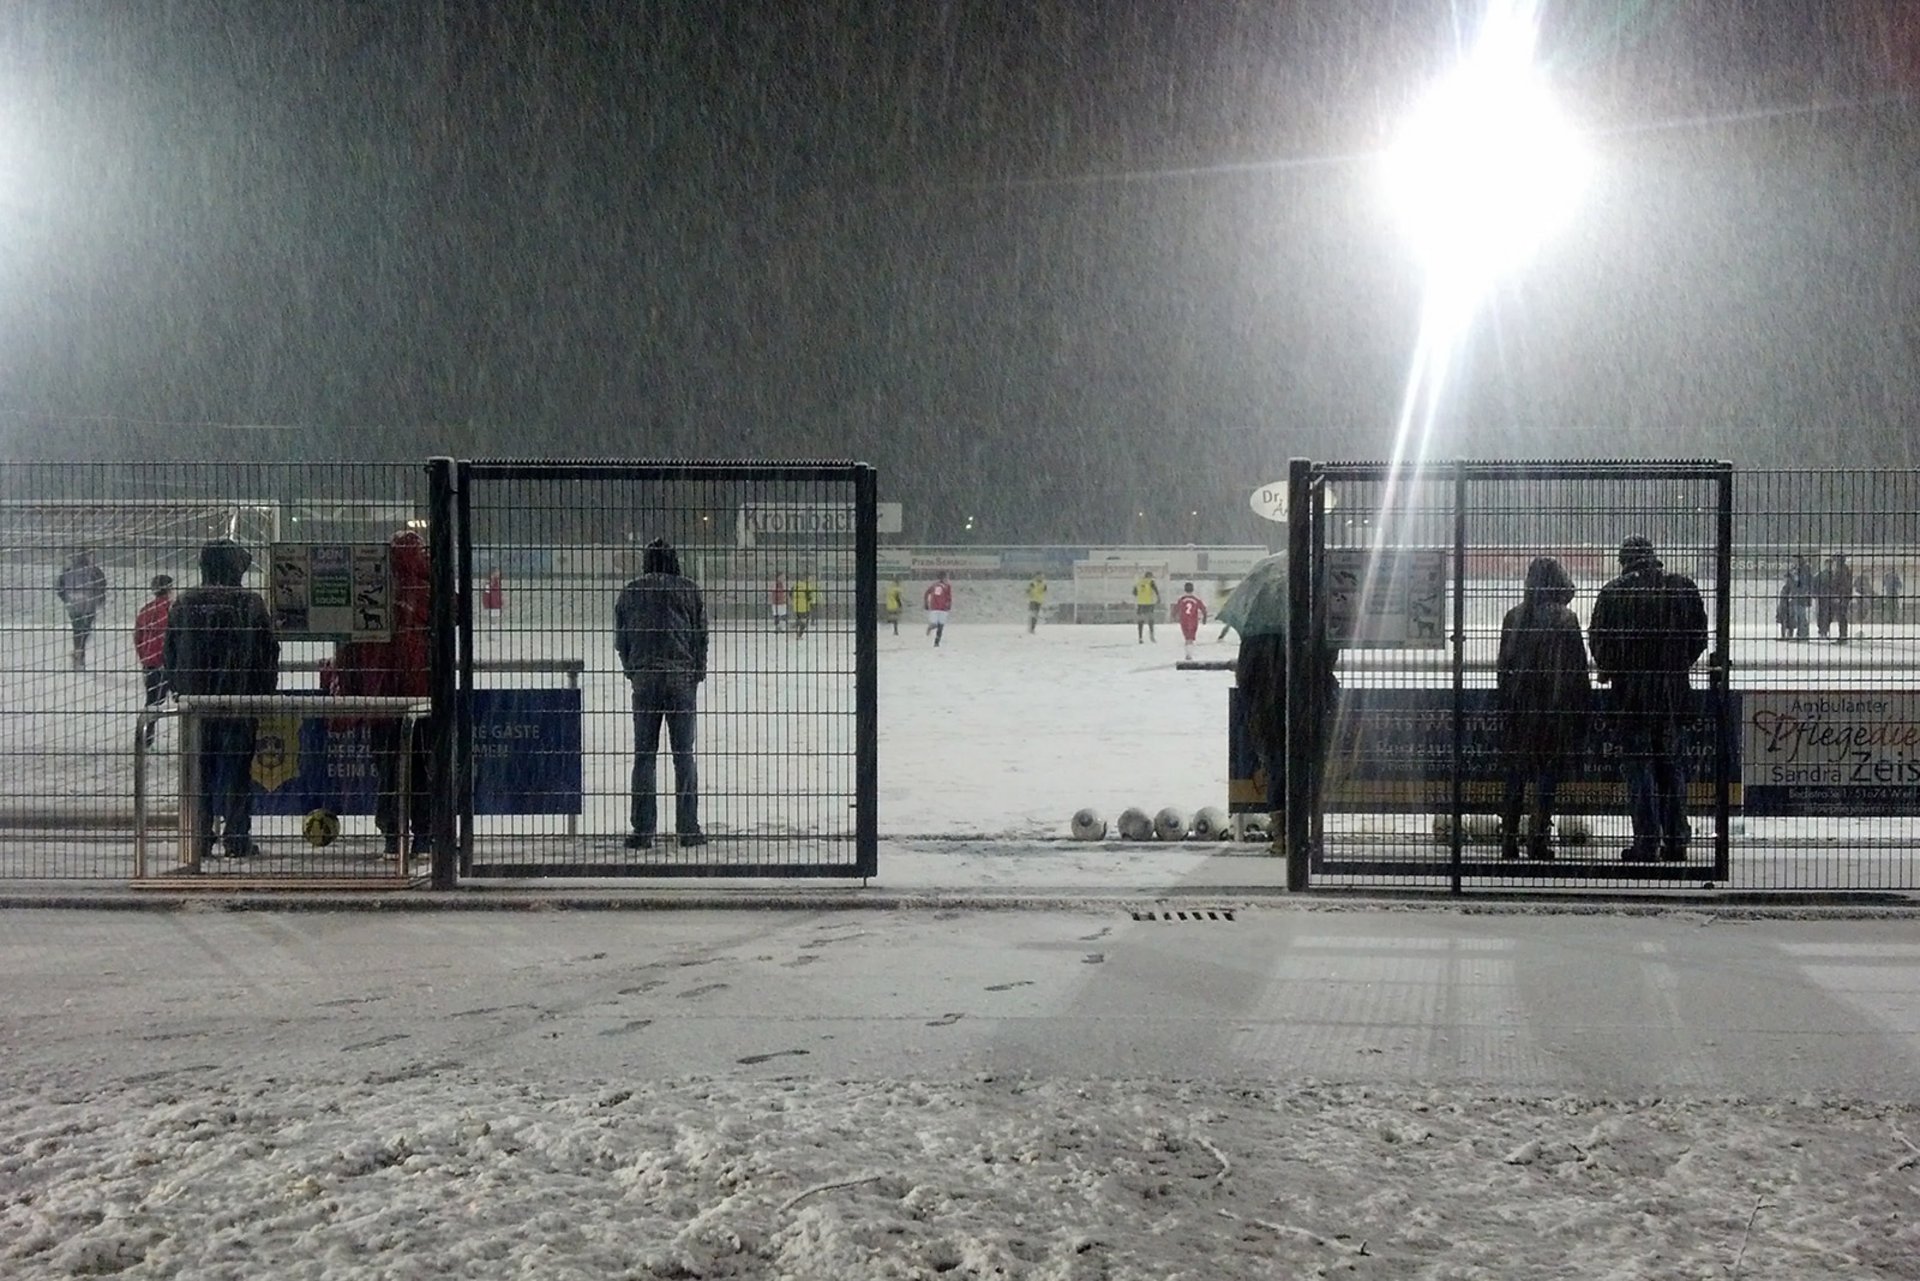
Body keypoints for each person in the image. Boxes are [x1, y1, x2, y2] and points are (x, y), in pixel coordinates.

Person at [1587, 535, 1708, 863]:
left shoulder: (1614, 591)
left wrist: (1615, 668)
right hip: (1671, 694)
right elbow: (1699, 636)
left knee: (1640, 768)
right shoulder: (1681, 587)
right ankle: (1676, 839)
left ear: (1624, 560)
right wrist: (1675, 665)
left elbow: (1598, 640)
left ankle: (1646, 840)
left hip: (1632, 696)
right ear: (1654, 557)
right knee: (1671, 765)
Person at [163, 538, 279, 860]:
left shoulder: (184, 604)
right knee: (237, 772)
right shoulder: (250, 604)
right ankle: (237, 837)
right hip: (239, 703)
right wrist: (263, 693)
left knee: (199, 772)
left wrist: (180, 689)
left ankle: (199, 837)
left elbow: (169, 654)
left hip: (197, 705)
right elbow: (268, 654)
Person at [332, 531, 433, 856]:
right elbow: (458, 613)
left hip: (380, 696)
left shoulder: (369, 591)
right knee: (420, 769)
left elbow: (349, 645)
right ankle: (424, 835)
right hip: (419, 697)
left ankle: (393, 833)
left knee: (389, 769)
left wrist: (351, 688)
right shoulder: (425, 589)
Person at [1494, 557, 1591, 861]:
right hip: (1553, 709)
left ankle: (1509, 838)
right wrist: (1580, 709)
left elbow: (1503, 666)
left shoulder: (1514, 617)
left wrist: (1507, 701)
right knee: (1547, 775)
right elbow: (1576, 670)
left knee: (1516, 775)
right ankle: (1538, 837)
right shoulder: (1565, 619)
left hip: (1519, 708)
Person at [614, 538, 708, 850]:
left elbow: (622, 638)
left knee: (644, 755)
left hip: (645, 678)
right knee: (683, 755)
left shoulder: (631, 591)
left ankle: (643, 829)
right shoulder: (689, 590)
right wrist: (696, 671)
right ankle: (688, 828)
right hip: (680, 677)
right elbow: (700, 636)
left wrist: (632, 669)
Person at [133, 574, 174, 746]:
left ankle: (145, 737)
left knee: (152, 701)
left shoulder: (146, 610)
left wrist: (144, 657)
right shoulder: (172, 609)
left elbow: (138, 636)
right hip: (170, 662)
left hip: (151, 662)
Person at [56, 549, 108, 671]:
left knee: (77, 630)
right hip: (89, 605)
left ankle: (78, 652)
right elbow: (102, 585)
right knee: (86, 629)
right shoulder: (94, 571)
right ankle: (79, 652)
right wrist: (99, 599)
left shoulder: (67, 571)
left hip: (74, 606)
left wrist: (67, 599)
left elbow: (59, 588)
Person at [1172, 580, 1208, 661]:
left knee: (1187, 638)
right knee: (1191, 638)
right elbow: (1203, 609)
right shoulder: (1196, 599)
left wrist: (1173, 616)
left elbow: (1176, 608)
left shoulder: (1182, 599)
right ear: (1193, 589)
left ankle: (1188, 653)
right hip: (1193, 620)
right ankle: (1189, 653)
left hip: (1183, 620)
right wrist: (1204, 618)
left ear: (1185, 589)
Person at [1827, 553, 1854, 644]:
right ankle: (1843, 636)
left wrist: (1837, 595)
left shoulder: (1841, 570)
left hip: (1841, 596)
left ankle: (1842, 637)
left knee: (1841, 617)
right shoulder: (1845, 569)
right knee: (1842, 617)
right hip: (1844, 596)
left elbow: (1841, 584)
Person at [924, 572, 952, 647]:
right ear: (942, 578)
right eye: (946, 577)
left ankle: (937, 642)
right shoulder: (935, 585)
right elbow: (927, 593)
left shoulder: (948, 586)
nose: (947, 579)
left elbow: (949, 596)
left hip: (943, 608)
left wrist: (949, 604)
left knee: (941, 626)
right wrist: (926, 603)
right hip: (935, 607)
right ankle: (930, 627)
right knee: (935, 624)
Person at [1132, 571, 1161, 642]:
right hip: (1149, 603)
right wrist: (1158, 598)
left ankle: (1140, 637)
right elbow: (1156, 590)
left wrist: (1141, 594)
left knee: (1140, 620)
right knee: (1150, 620)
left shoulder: (1139, 582)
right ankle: (1152, 635)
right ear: (1150, 576)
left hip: (1140, 603)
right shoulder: (1151, 582)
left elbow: (1134, 593)